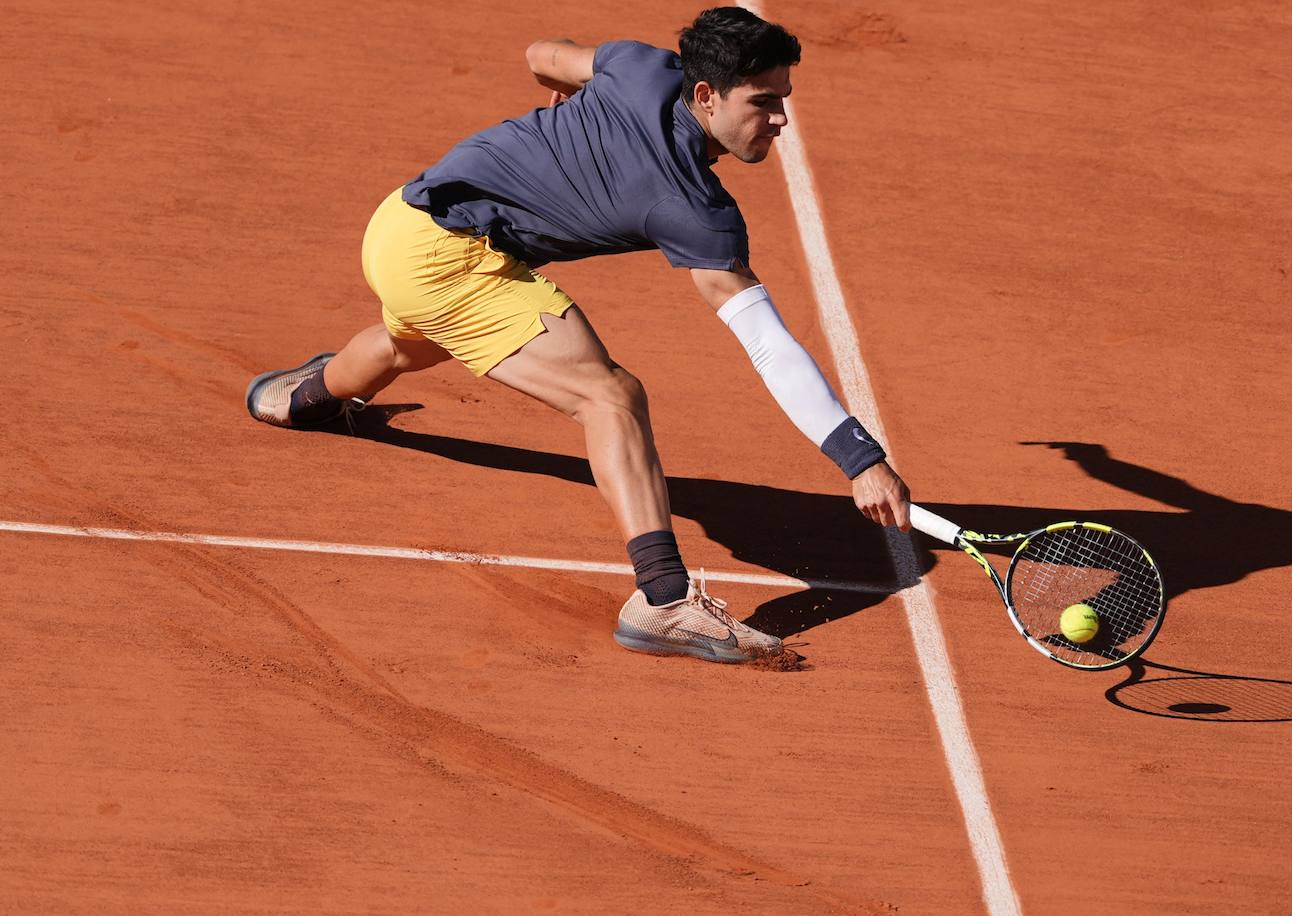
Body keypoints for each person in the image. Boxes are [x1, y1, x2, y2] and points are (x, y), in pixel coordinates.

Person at [245, 7, 912, 664]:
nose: (780, 120)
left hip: (399, 223)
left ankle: (302, 397)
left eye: (784, 100)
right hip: (448, 258)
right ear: (705, 94)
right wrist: (860, 459)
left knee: (408, 342)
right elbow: (766, 343)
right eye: (763, 102)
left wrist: (569, 96)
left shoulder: (638, 63)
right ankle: (663, 601)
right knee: (610, 398)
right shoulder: (694, 209)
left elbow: (543, 53)